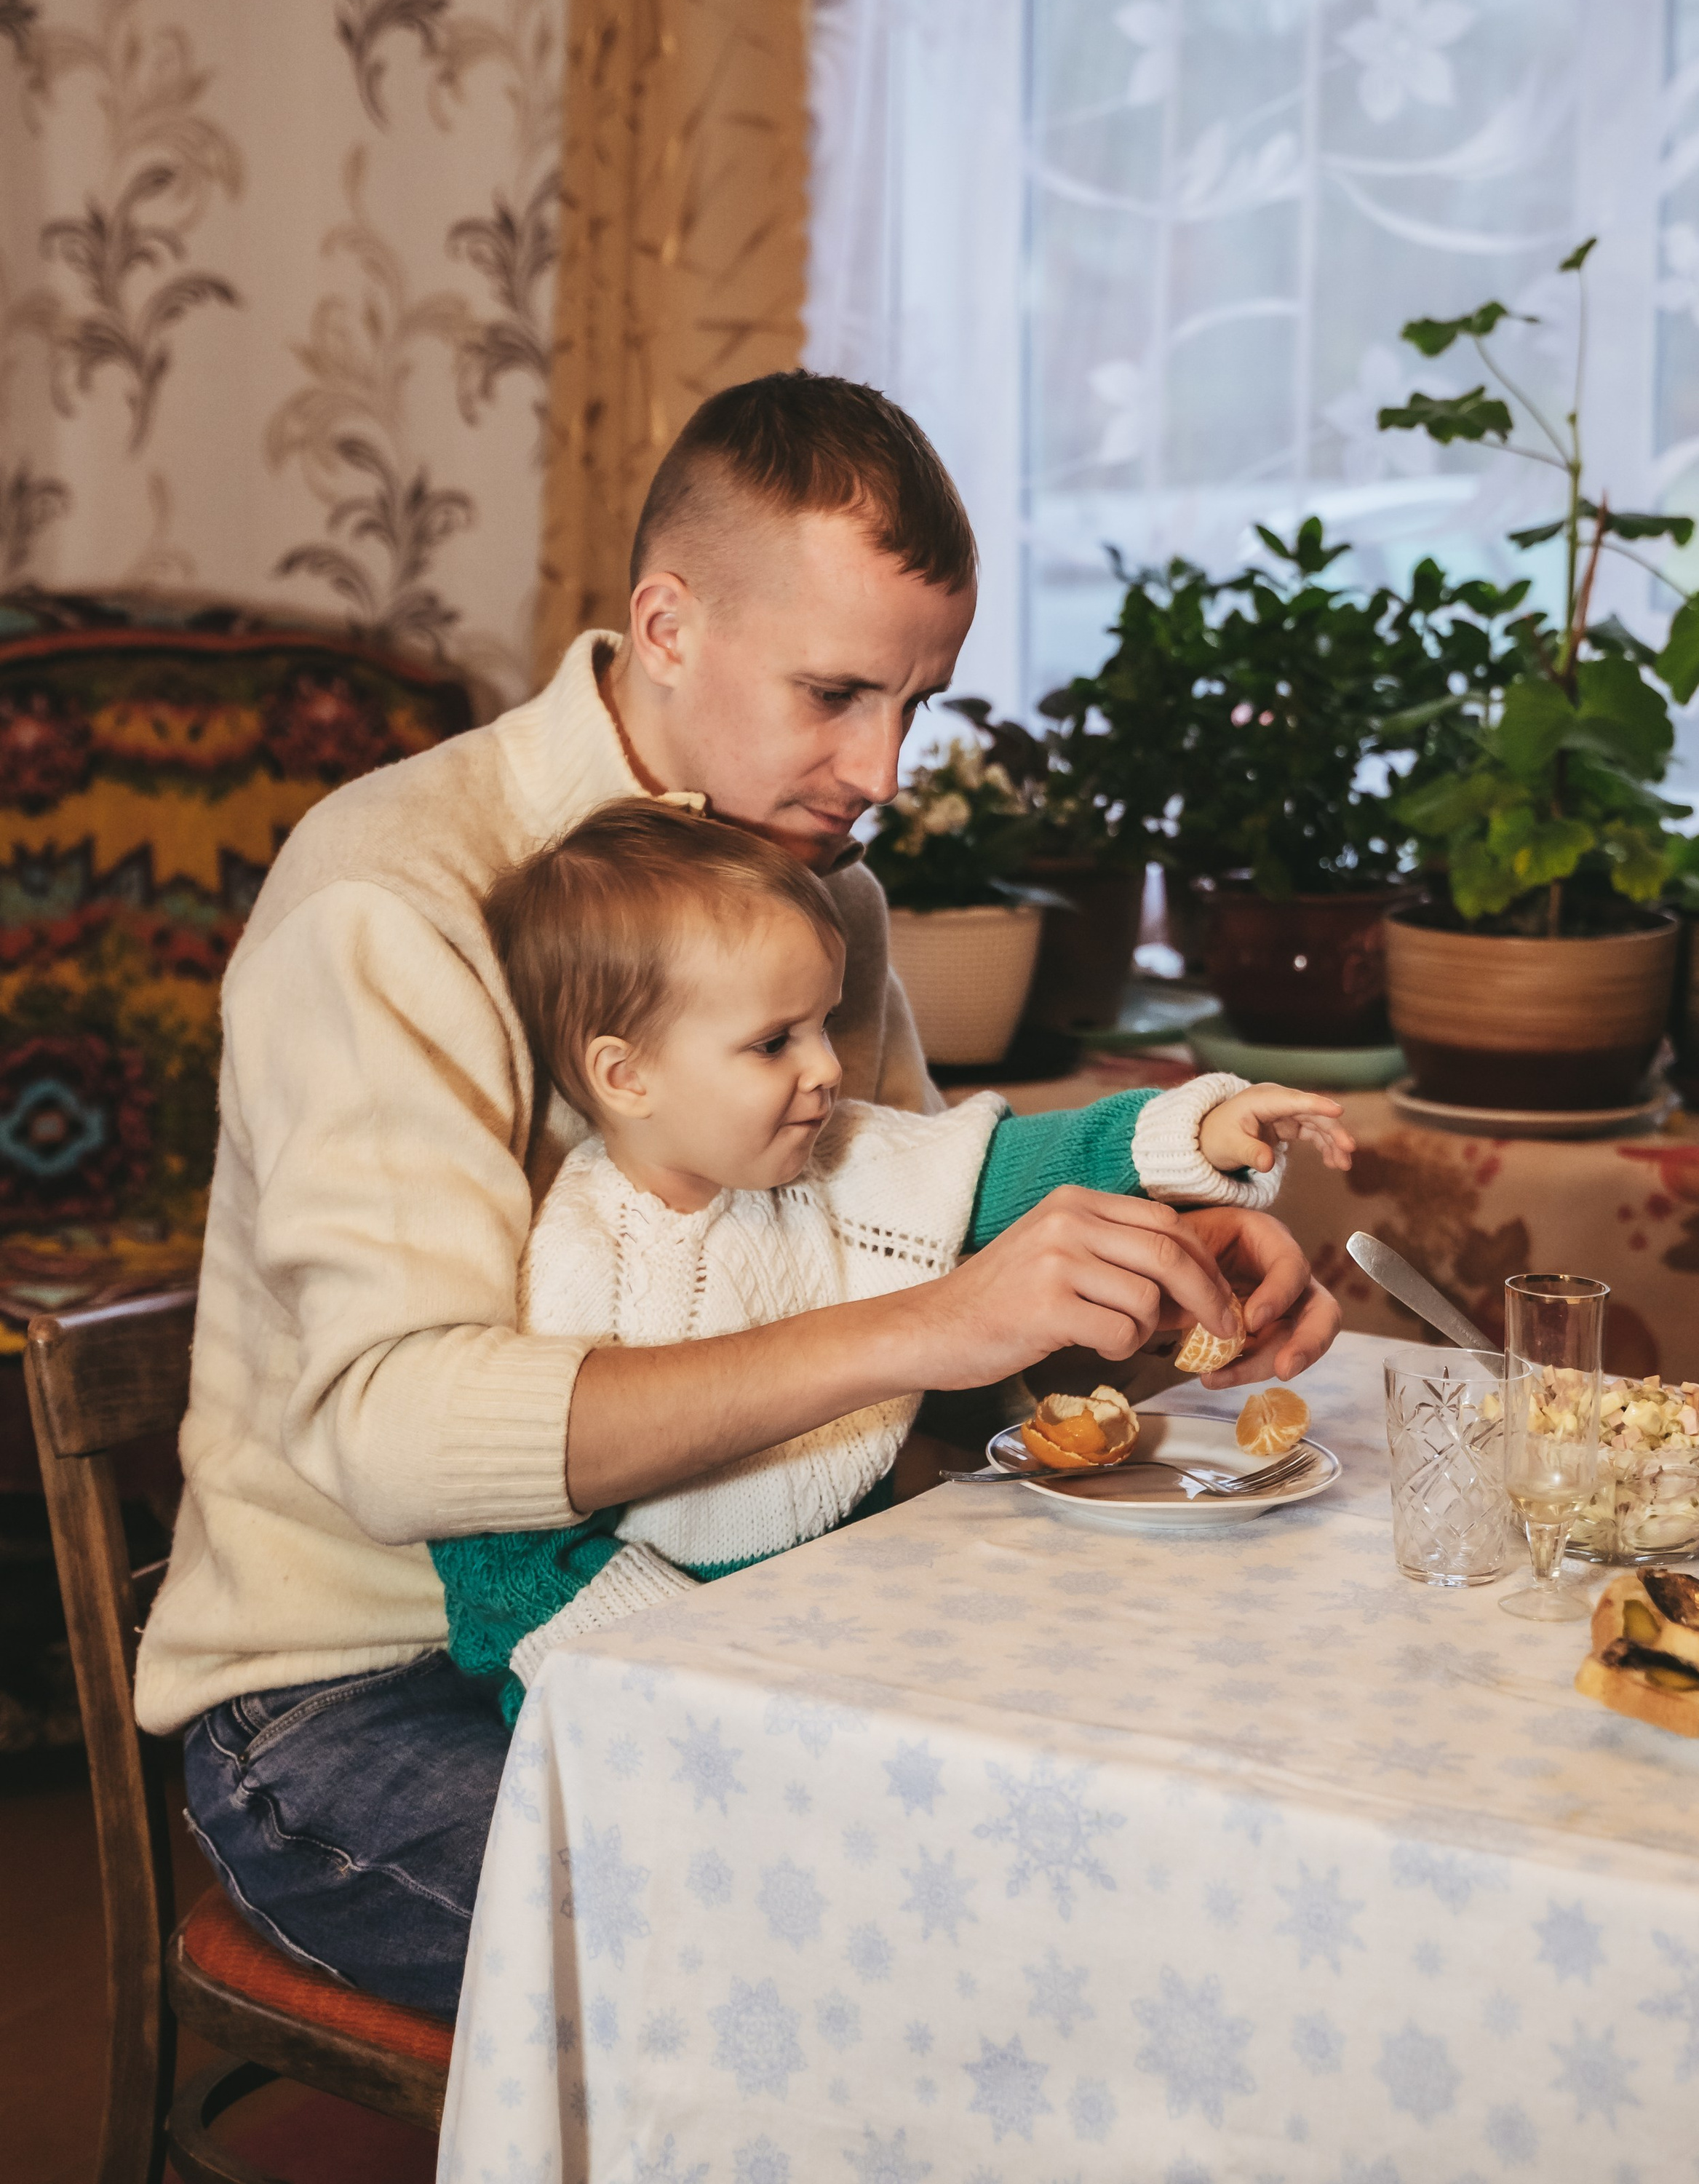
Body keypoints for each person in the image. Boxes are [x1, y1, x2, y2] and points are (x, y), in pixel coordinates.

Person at [136, 370, 1341, 2016]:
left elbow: (922, 1291)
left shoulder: (810, 888)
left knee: (1110, 1845)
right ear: (667, 621)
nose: (886, 767)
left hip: (731, 1620)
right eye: (838, 691)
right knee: (857, 1964)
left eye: (915, 702)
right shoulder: (391, 897)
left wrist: (1131, 1273)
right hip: (353, 1701)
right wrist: (932, 1315)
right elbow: (397, 1432)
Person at [432, 800, 1354, 1718]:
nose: (828, 1068)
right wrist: (690, 1666)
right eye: (773, 1042)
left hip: (875, 1623)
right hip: (664, 1694)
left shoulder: (841, 1154)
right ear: (624, 1075)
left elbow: (1017, 1165)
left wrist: (1200, 1127)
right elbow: (508, 1569)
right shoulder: (569, 1262)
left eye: (824, 1025)